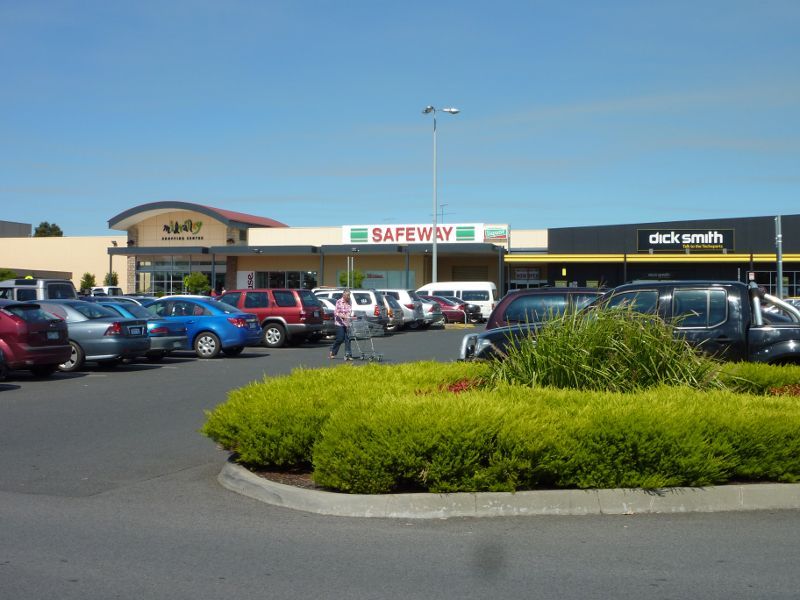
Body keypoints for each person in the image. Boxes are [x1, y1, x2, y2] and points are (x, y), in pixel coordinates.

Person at [329, 289, 354, 361]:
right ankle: (333, 351)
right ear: (343, 295)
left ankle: (348, 354)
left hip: (347, 323)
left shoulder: (350, 301)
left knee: (348, 339)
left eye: (349, 295)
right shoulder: (339, 302)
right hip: (339, 323)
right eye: (347, 295)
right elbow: (336, 312)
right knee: (340, 338)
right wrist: (343, 316)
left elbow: (349, 311)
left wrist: (349, 317)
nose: (348, 297)